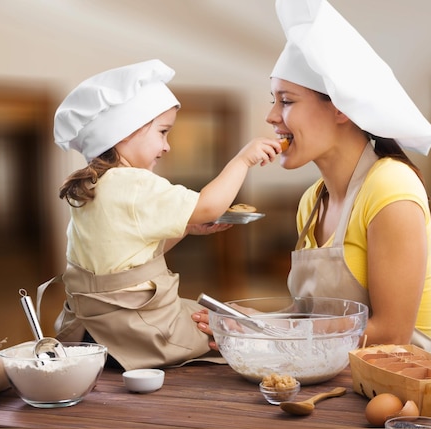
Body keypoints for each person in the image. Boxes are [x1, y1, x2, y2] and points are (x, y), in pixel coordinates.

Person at [193, 0, 431, 357]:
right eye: (274, 100)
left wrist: (272, 332)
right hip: (334, 376)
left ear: (341, 106)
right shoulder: (313, 201)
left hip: (405, 385)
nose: (271, 116)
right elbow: (314, 319)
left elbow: (391, 334)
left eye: (287, 101)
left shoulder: (391, 188)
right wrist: (255, 321)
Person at [37, 59, 281, 370]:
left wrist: (187, 229)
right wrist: (243, 160)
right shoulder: (135, 183)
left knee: (220, 316)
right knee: (236, 325)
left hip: (92, 329)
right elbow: (209, 206)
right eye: (163, 132)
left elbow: (129, 259)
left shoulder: (94, 186)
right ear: (125, 132)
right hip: (139, 331)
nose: (166, 146)